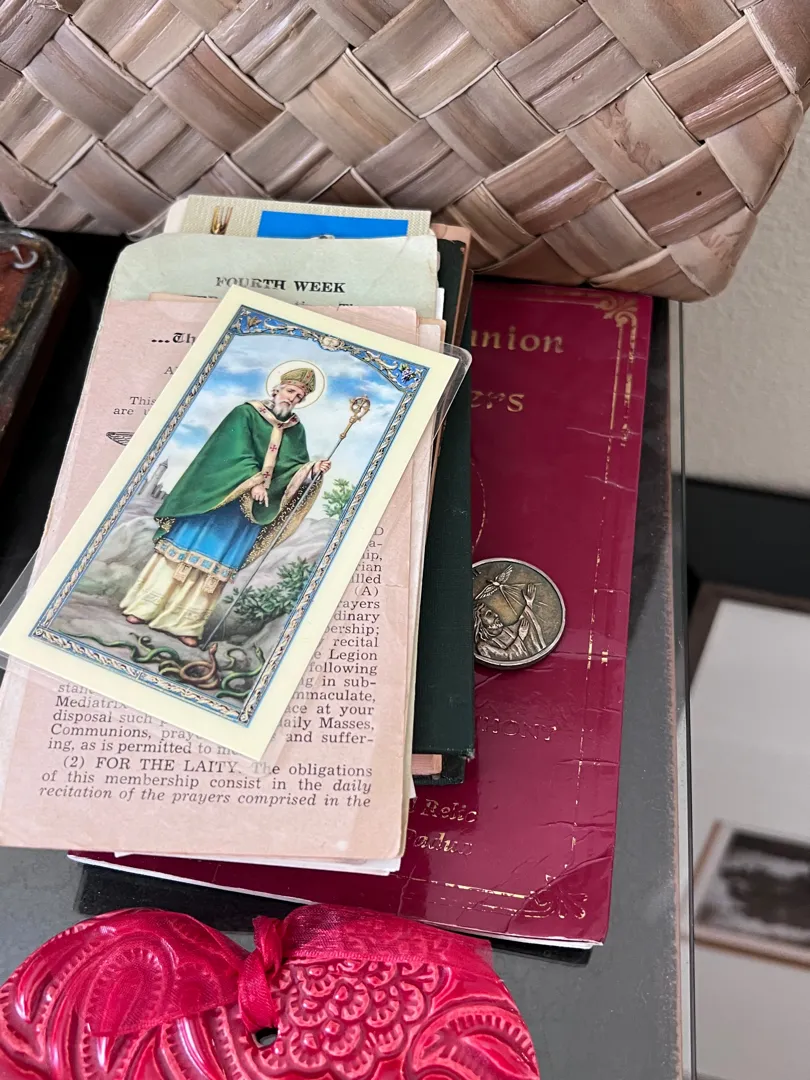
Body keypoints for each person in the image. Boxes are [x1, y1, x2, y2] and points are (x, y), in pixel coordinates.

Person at [120, 366, 330, 648]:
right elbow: (232, 452)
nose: (293, 398)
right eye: (291, 391)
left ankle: (186, 624)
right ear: (276, 389)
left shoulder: (296, 430)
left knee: (215, 568)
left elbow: (292, 466)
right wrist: (253, 481)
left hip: (246, 515)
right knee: (181, 555)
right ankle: (143, 608)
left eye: (300, 396)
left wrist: (311, 469)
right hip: (217, 500)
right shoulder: (245, 414)